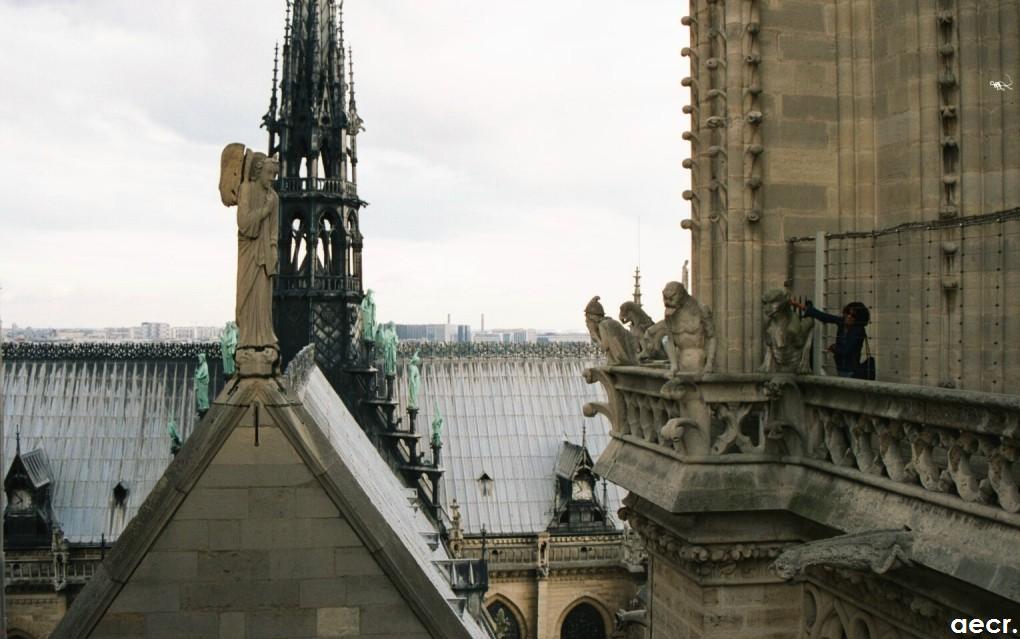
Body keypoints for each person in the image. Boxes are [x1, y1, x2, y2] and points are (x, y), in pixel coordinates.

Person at [793, 299, 870, 378]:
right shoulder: (842, 322)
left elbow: (846, 349)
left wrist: (834, 347)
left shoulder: (858, 330)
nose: (849, 316)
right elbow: (824, 317)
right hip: (841, 367)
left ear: (859, 318)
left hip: (850, 370)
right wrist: (796, 304)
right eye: (848, 313)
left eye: (853, 315)